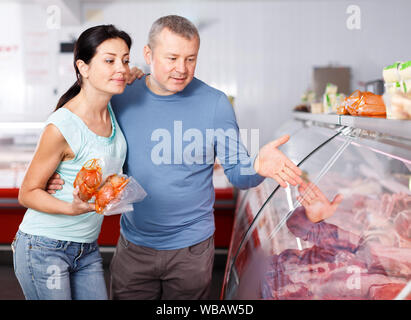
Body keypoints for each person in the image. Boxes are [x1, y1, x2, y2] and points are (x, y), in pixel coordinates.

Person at [47, 15, 303, 300]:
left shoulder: (215, 104)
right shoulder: (121, 95)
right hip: (134, 246)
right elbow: (88, 138)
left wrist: (257, 166)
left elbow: (237, 173)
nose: (182, 69)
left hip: (192, 250)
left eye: (190, 59)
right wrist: (60, 173)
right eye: (172, 58)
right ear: (148, 54)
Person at [13, 24, 132, 300]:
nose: (122, 68)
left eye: (126, 60)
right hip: (44, 247)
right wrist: (72, 208)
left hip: (87, 248)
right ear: (83, 67)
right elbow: (27, 193)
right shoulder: (63, 126)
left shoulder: (111, 109)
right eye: (109, 60)